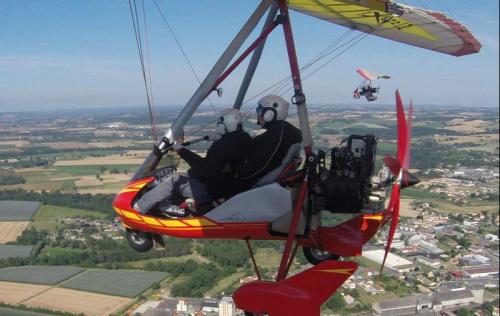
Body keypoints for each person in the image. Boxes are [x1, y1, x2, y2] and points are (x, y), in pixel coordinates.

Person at [135, 108, 252, 215]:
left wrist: (182, 151)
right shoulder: (245, 139)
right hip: (227, 185)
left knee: (173, 181)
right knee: (190, 173)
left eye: (220, 124)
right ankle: (175, 205)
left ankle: (139, 208)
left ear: (226, 124)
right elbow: (218, 163)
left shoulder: (223, 145)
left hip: (212, 190)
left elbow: (205, 170)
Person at [235, 95, 302, 190]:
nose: (258, 114)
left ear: (270, 113)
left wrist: (237, 171)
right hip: (269, 177)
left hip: (254, 182)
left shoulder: (273, 135)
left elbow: (257, 167)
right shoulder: (285, 130)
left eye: (259, 110)